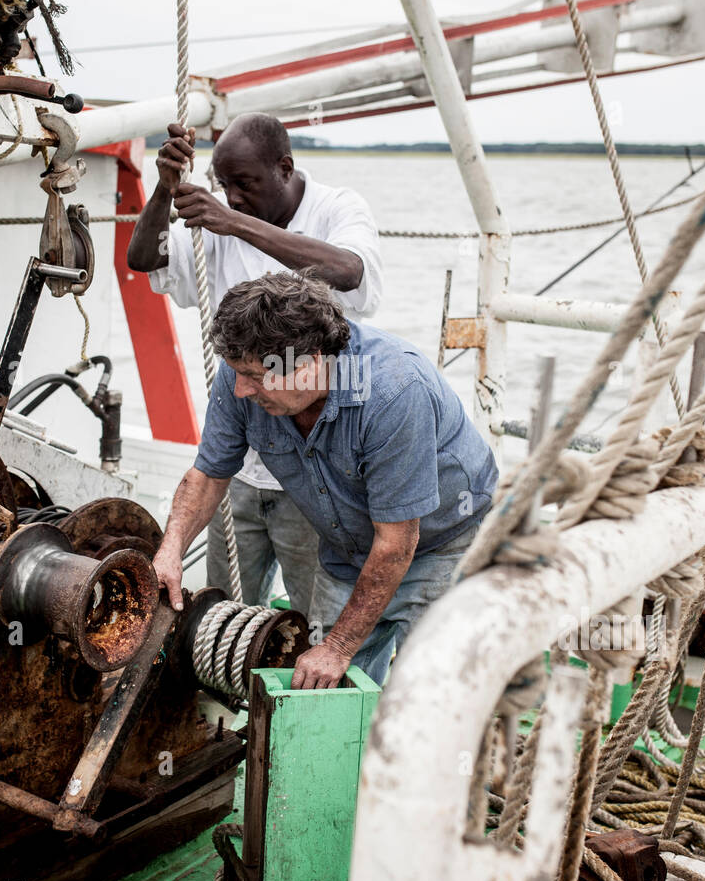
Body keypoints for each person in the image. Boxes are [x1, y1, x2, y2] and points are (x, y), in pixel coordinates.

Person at [152, 271, 498, 689]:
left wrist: (338, 647)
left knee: (424, 692)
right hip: (348, 551)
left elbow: (395, 543)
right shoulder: (239, 375)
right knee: (323, 690)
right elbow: (207, 476)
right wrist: (169, 553)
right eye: (237, 372)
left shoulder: (393, 392)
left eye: (256, 376)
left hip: (444, 546)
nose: (241, 389)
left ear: (311, 362)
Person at [127, 113, 382, 618]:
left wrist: (235, 223)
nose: (233, 196)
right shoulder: (218, 220)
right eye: (225, 186)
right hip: (241, 464)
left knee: (317, 620)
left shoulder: (337, 207)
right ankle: (231, 691)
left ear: (284, 168)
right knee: (223, 613)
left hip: (318, 472)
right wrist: (163, 190)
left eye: (244, 184)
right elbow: (142, 259)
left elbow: (349, 272)